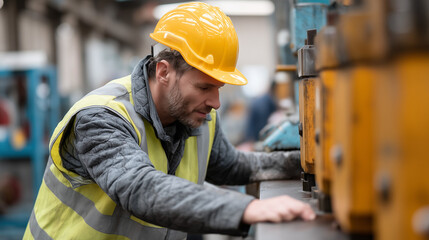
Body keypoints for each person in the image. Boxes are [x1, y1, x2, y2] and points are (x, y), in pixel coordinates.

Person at [23, 2, 315, 240]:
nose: (216, 103)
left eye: (219, 88)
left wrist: (308, 161)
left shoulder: (197, 117)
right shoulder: (101, 118)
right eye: (204, 87)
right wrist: (247, 209)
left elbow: (231, 166)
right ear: (163, 72)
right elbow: (140, 188)